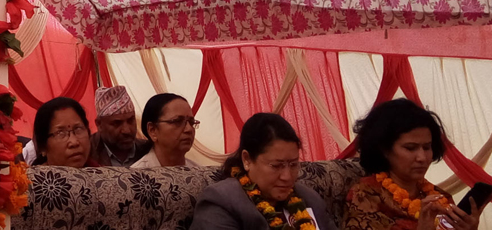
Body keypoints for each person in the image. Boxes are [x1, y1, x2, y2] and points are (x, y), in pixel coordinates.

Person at [343, 99, 484, 230]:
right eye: (410, 148)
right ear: (384, 150)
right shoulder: (365, 195)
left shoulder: (441, 198)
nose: (422, 158)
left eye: (427, 147)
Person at [190, 112, 336, 230]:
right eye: (276, 166)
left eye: (293, 164)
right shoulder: (222, 201)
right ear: (247, 160)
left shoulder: (309, 198)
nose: (287, 177)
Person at [132, 92, 200, 169]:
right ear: (152, 130)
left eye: (191, 122)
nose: (189, 129)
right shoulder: (137, 174)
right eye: (177, 121)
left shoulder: (200, 172)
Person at [89, 86, 151, 167]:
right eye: (117, 123)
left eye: (130, 120)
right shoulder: (86, 153)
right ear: (99, 124)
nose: (126, 130)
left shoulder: (148, 150)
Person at [31, 97, 97, 168]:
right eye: (60, 133)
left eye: (78, 129)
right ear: (43, 147)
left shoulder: (102, 173)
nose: (74, 142)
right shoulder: (31, 175)